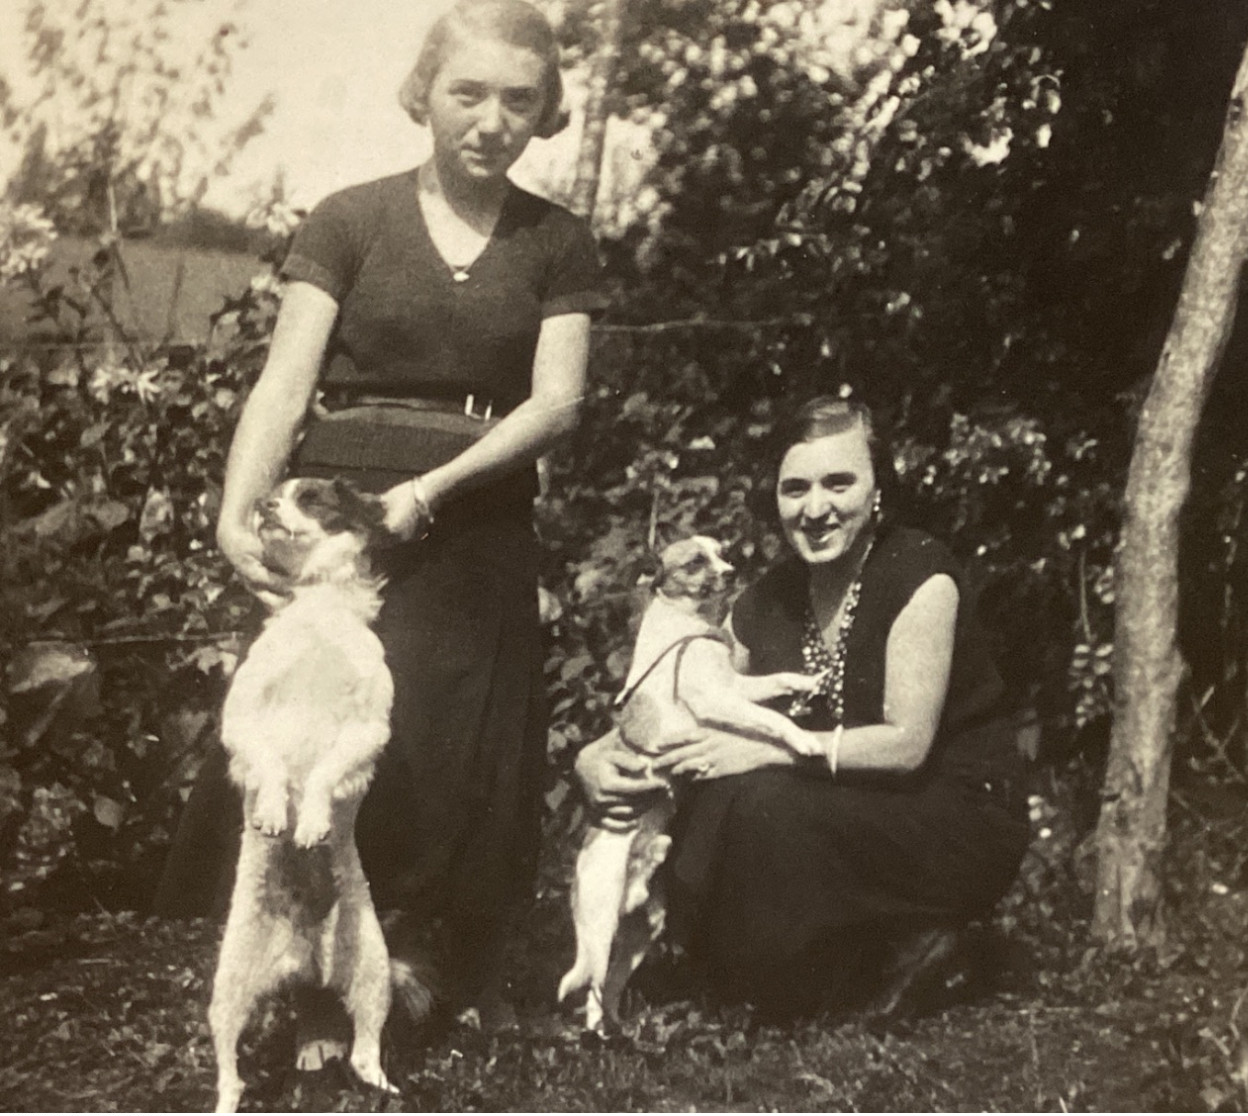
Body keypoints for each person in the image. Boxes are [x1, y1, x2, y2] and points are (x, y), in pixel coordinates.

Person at [155, 0, 606, 1031]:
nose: (490, 119)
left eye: (517, 99)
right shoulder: (350, 218)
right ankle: (287, 967)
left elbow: (557, 403)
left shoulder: (557, 242)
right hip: (337, 524)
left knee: (445, 738)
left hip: (475, 515)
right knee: (317, 727)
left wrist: (433, 491)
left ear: (544, 113)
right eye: (467, 93)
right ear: (423, 96)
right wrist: (234, 515)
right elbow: (284, 383)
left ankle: (410, 962)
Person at [574, 397, 1031, 1018]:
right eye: (795, 489)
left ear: (877, 489)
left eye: (838, 483)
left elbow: (906, 744)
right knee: (722, 787)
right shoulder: (766, 600)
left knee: (755, 796)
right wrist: (596, 756)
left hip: (950, 811)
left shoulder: (919, 576)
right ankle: (759, 965)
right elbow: (680, 695)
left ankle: (908, 950)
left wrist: (765, 749)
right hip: (834, 807)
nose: (816, 509)